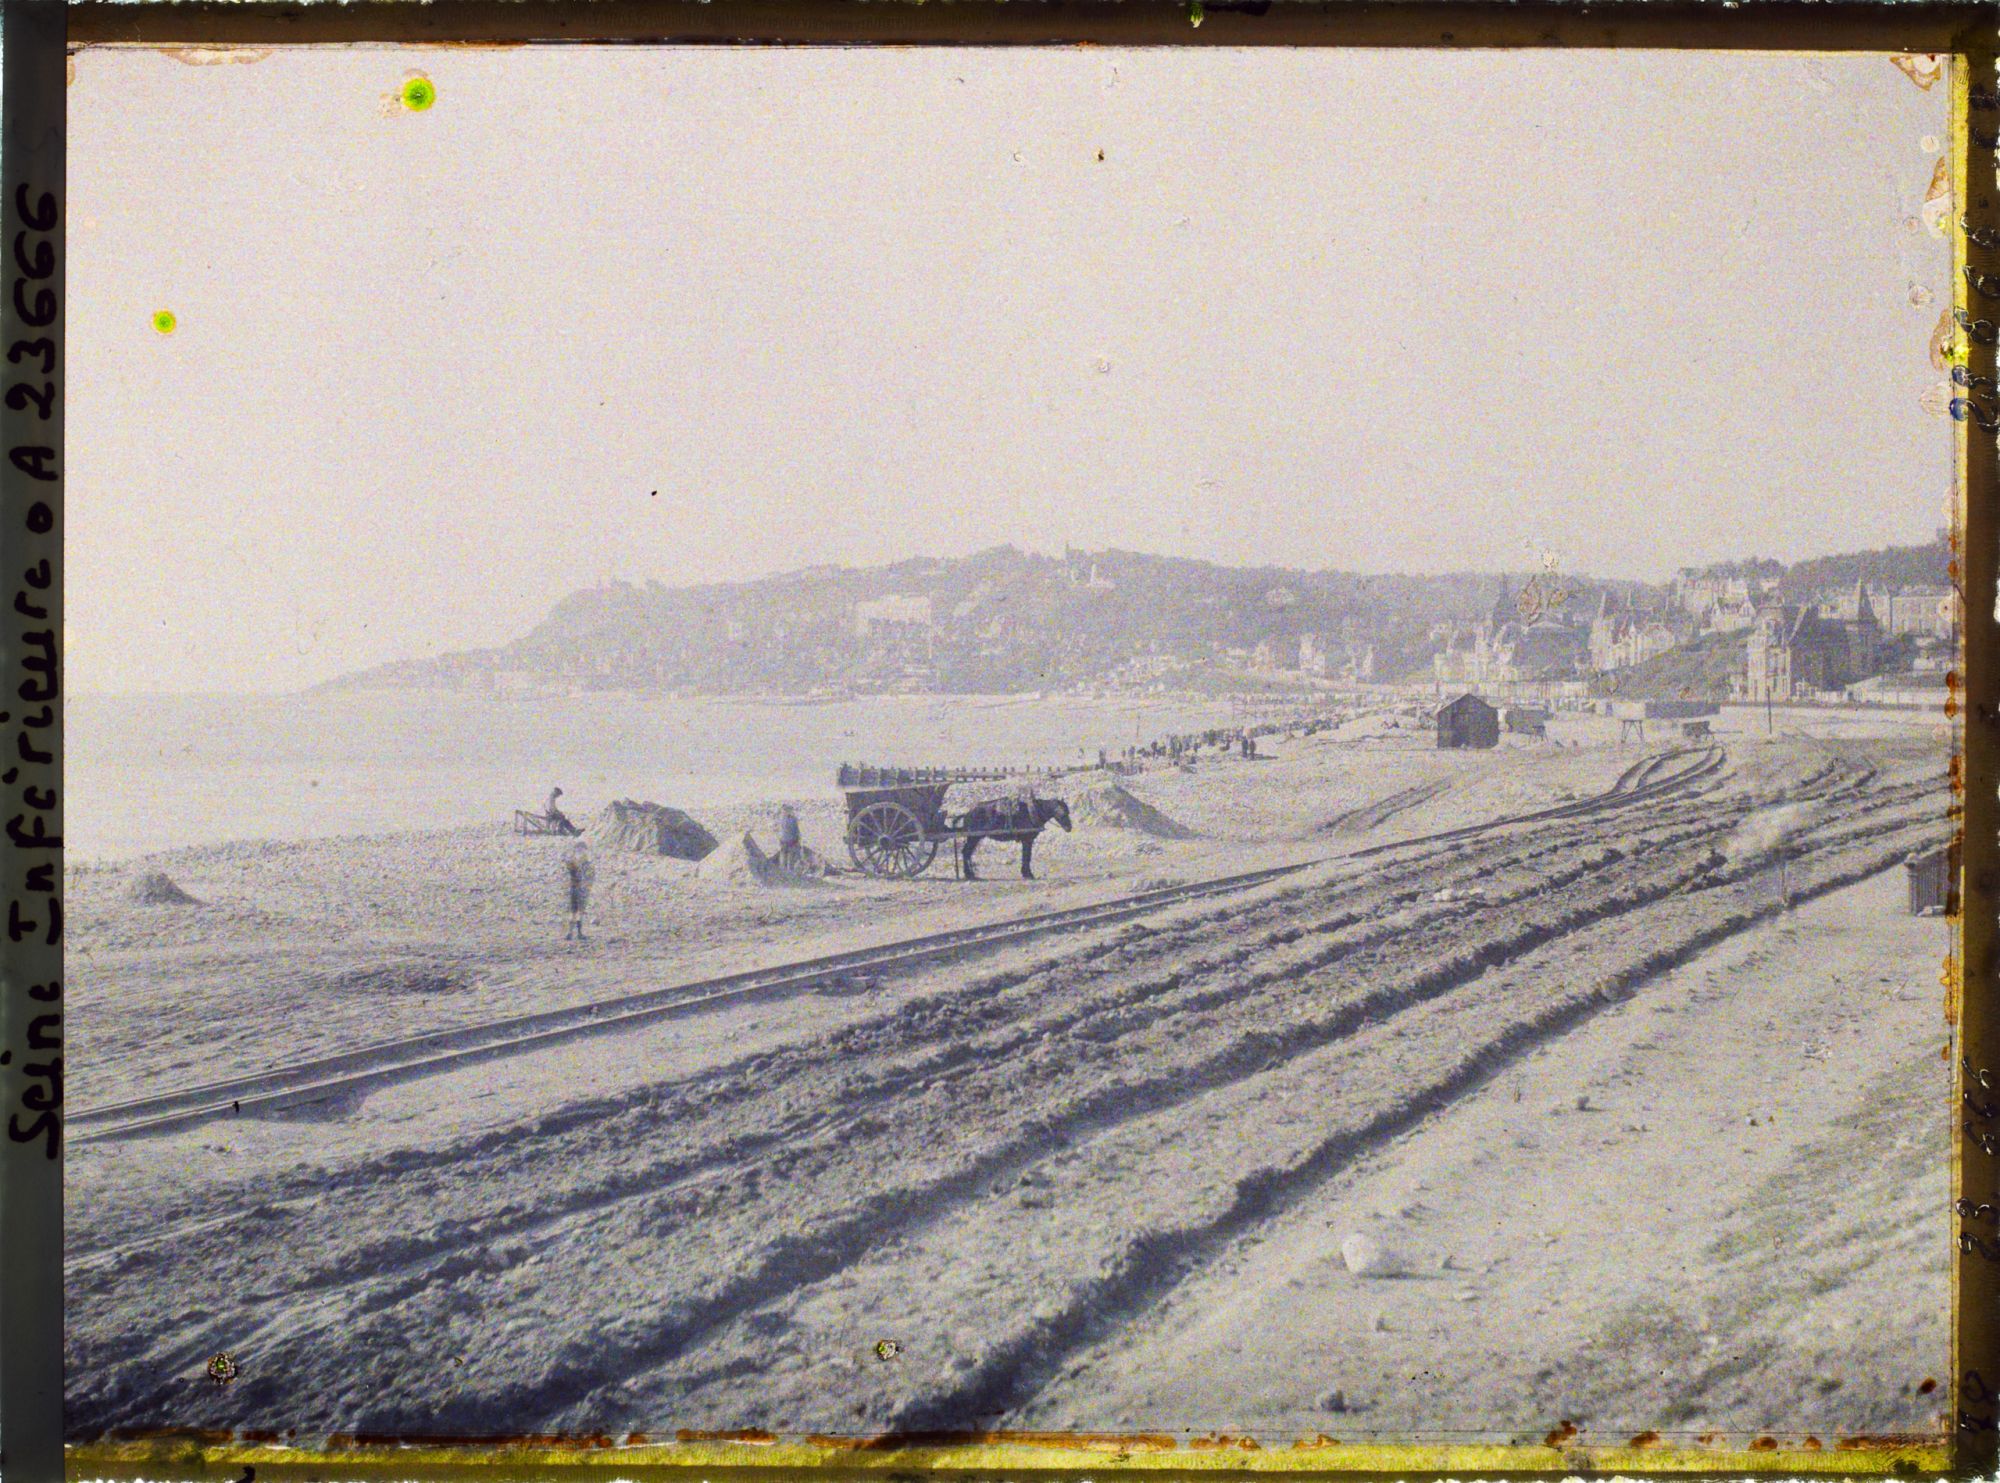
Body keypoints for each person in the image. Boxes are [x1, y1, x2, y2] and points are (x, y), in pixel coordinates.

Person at [564, 841, 595, 941]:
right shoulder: (586, 863)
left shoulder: (571, 861)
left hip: (573, 887)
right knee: (580, 911)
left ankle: (570, 932)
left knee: (573, 911)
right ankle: (579, 933)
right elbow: (590, 876)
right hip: (581, 888)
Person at [775, 804, 803, 874]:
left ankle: (785, 870)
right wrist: (798, 840)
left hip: (785, 839)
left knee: (786, 855)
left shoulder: (781, 819)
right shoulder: (791, 819)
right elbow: (795, 830)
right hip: (789, 840)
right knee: (788, 855)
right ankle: (788, 870)